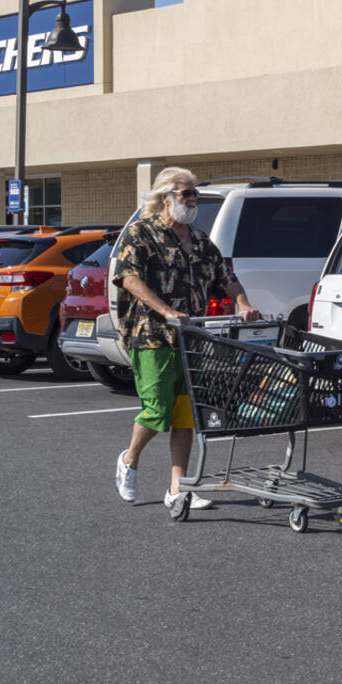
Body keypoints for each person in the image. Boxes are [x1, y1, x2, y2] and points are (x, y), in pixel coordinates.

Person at [112, 167, 259, 510]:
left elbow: (227, 277)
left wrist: (243, 303)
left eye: (194, 194)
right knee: (157, 409)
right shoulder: (141, 233)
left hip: (191, 339)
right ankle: (129, 460)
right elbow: (128, 278)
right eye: (185, 194)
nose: (193, 200)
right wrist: (165, 310)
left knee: (185, 414)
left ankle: (178, 488)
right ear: (165, 197)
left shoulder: (199, 238)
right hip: (152, 336)